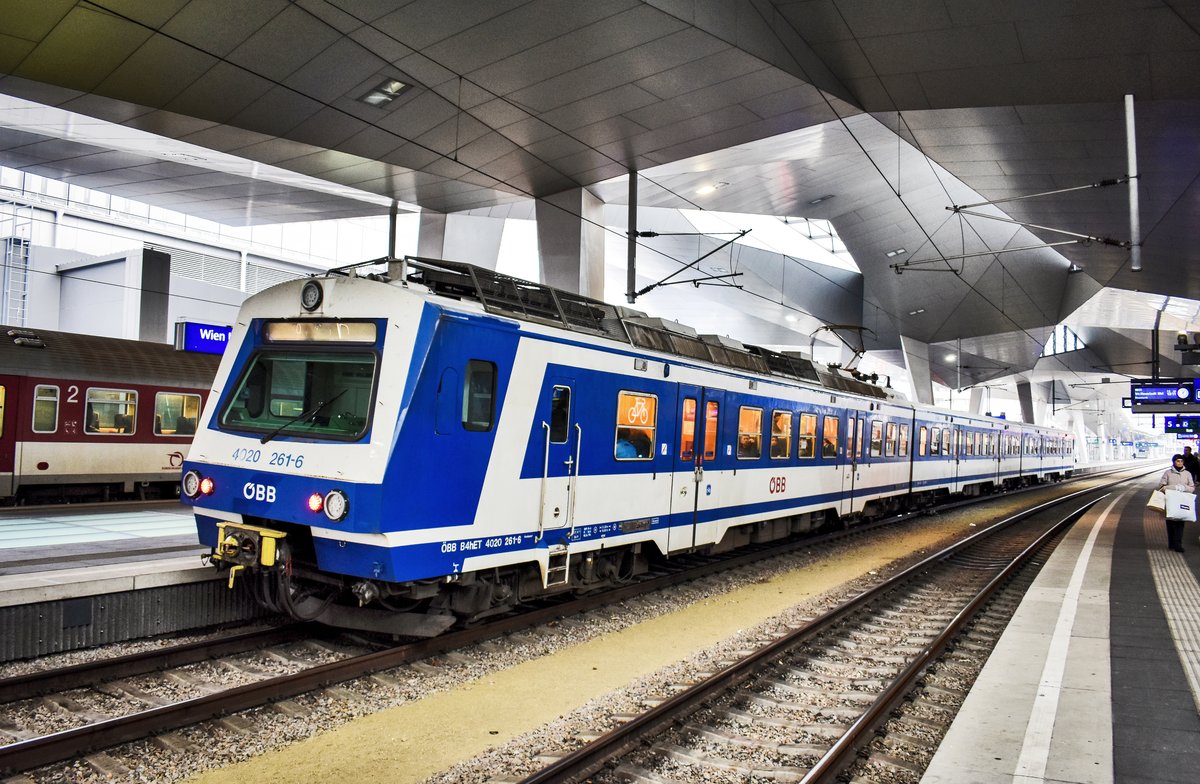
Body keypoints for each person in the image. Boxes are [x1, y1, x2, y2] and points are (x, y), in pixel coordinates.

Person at [1157, 454, 1195, 553]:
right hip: (1170, 501)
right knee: (1170, 523)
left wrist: (1183, 488)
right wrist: (1174, 488)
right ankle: (1171, 543)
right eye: (1178, 461)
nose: (1180, 463)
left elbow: (1192, 487)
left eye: (1181, 461)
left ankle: (1178, 545)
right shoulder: (1168, 473)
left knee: (1180, 523)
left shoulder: (1187, 474)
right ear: (1174, 462)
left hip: (1182, 502)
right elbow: (1161, 486)